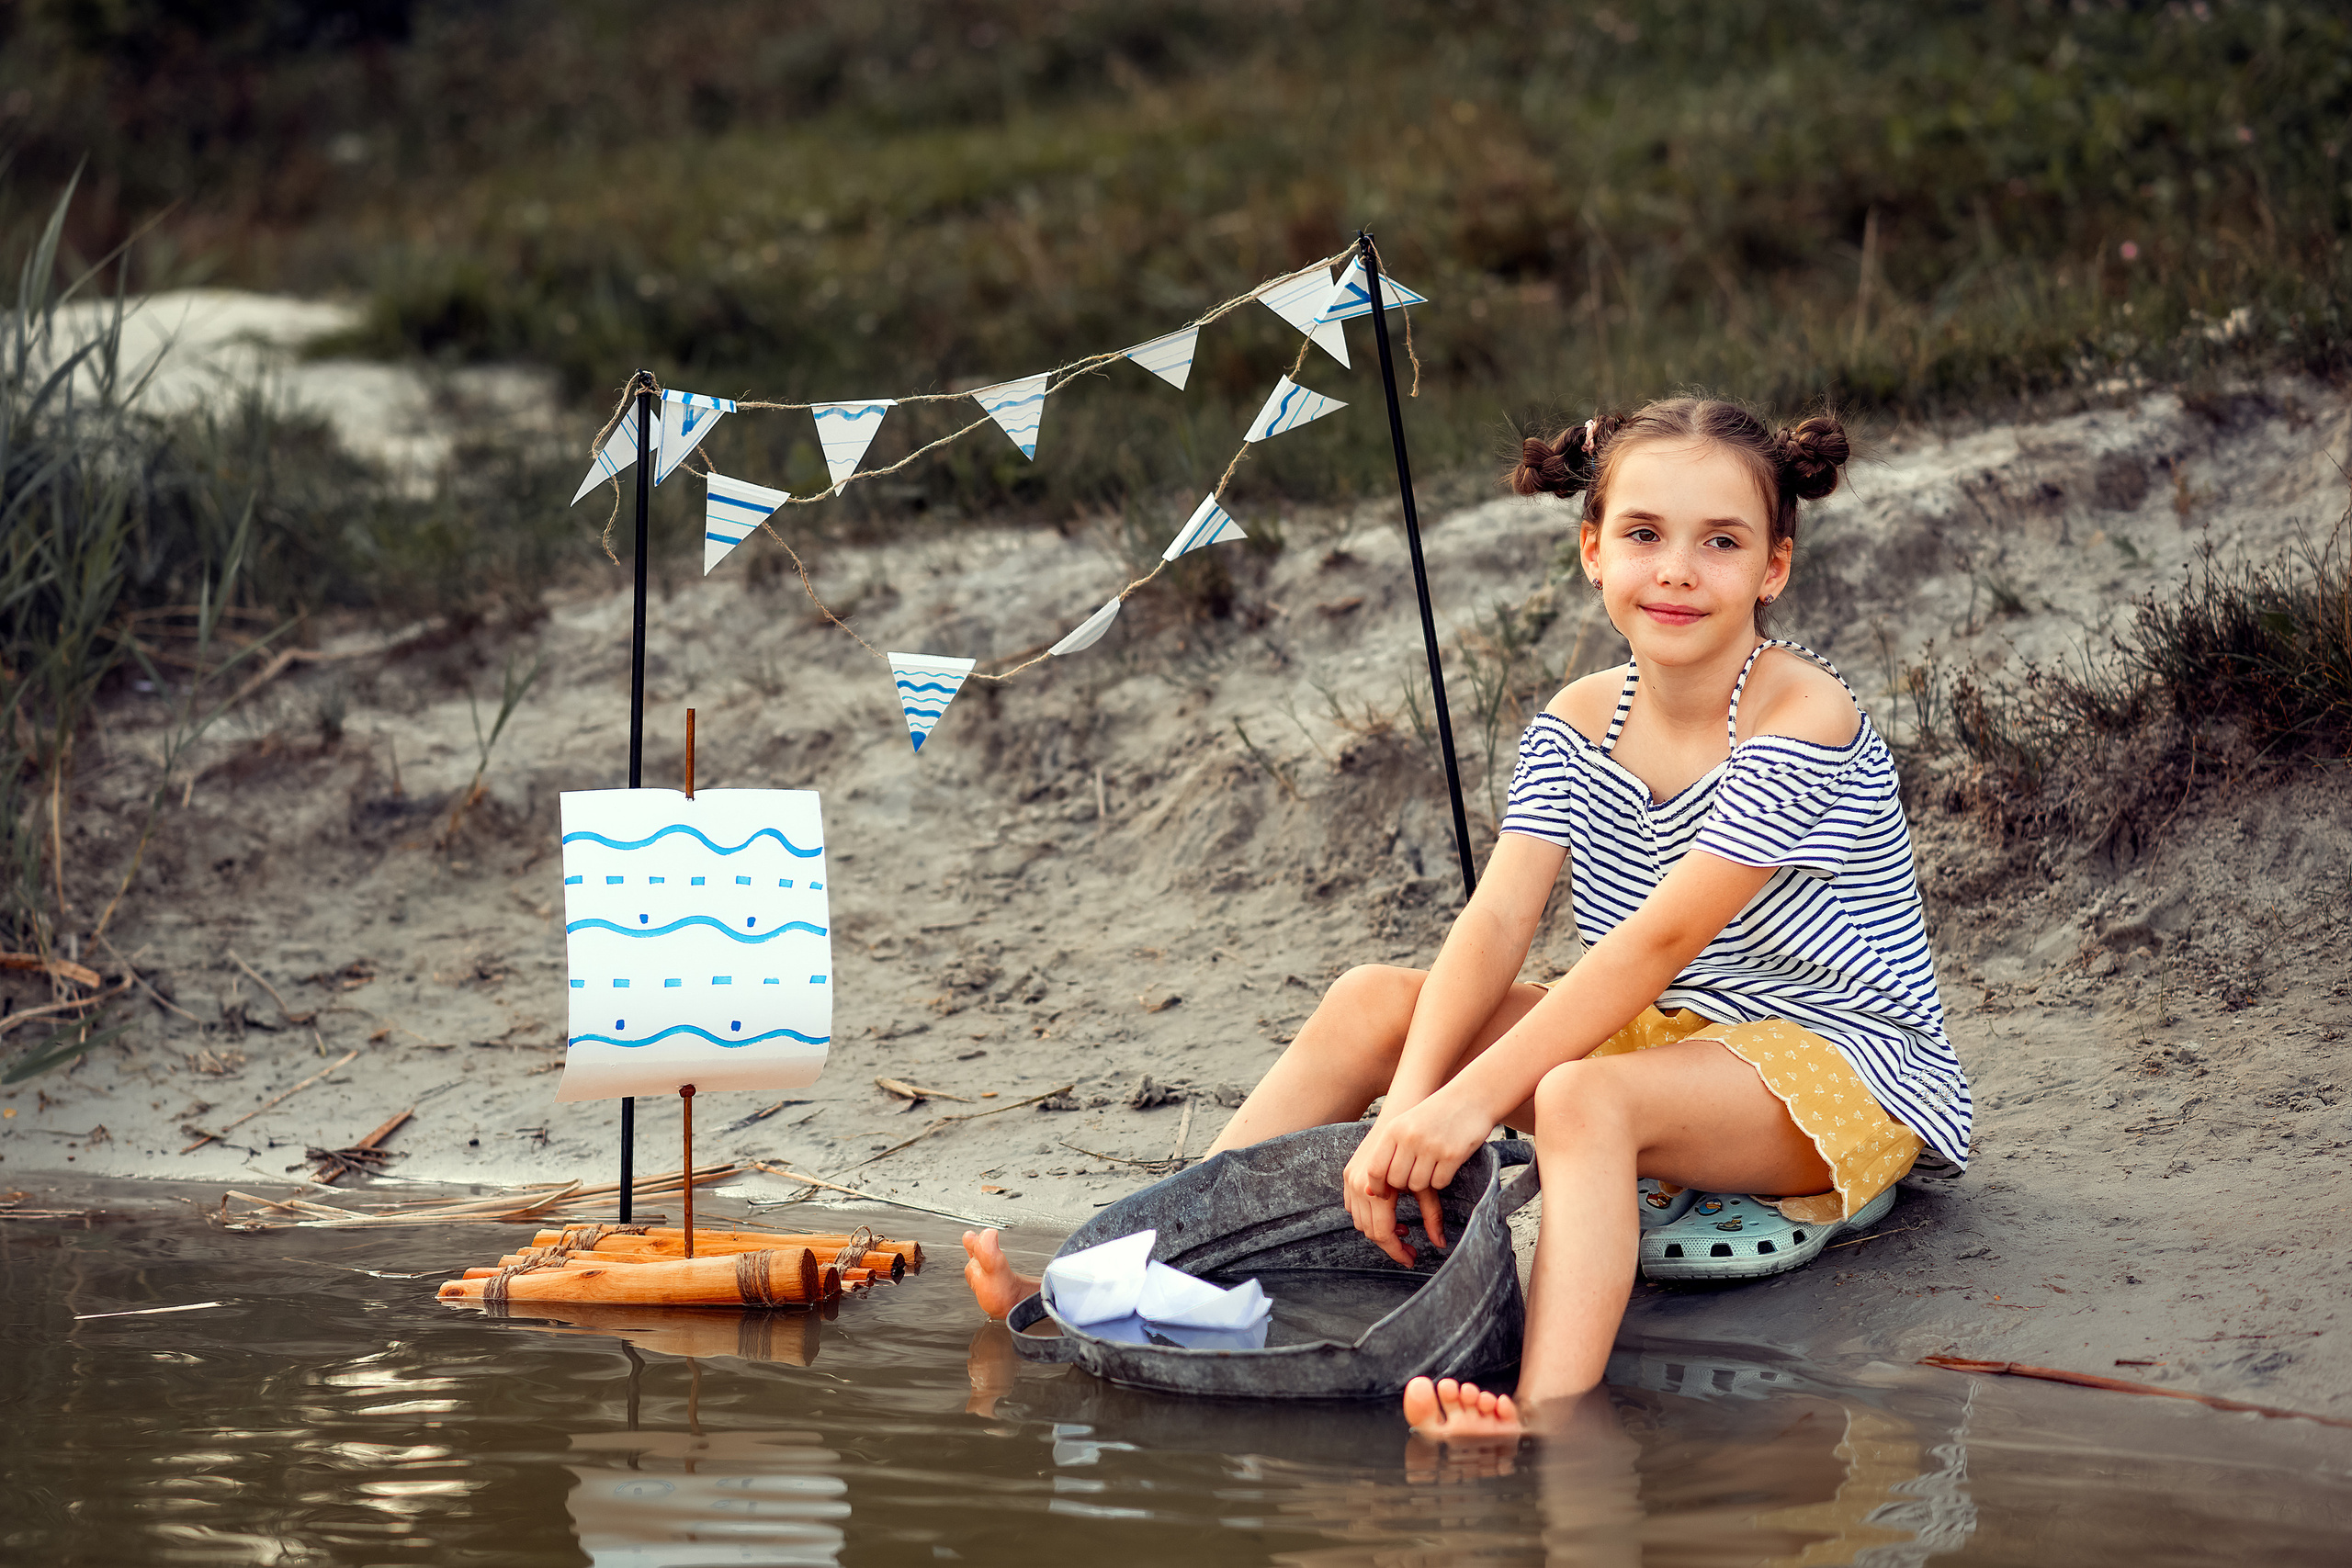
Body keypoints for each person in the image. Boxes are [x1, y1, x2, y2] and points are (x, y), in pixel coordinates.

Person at [964, 396, 1970, 1443]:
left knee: (1582, 1096)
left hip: (1840, 1064)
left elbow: (1657, 942)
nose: (1675, 570)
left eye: (1719, 542)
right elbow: (1494, 924)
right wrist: (1406, 1105)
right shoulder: (1580, 721)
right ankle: (1123, 1273)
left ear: (1773, 566)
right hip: (1669, 1044)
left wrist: (1466, 1106)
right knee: (1371, 1004)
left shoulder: (1803, 716)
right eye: (1641, 535)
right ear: (1591, 551)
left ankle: (1543, 1415)